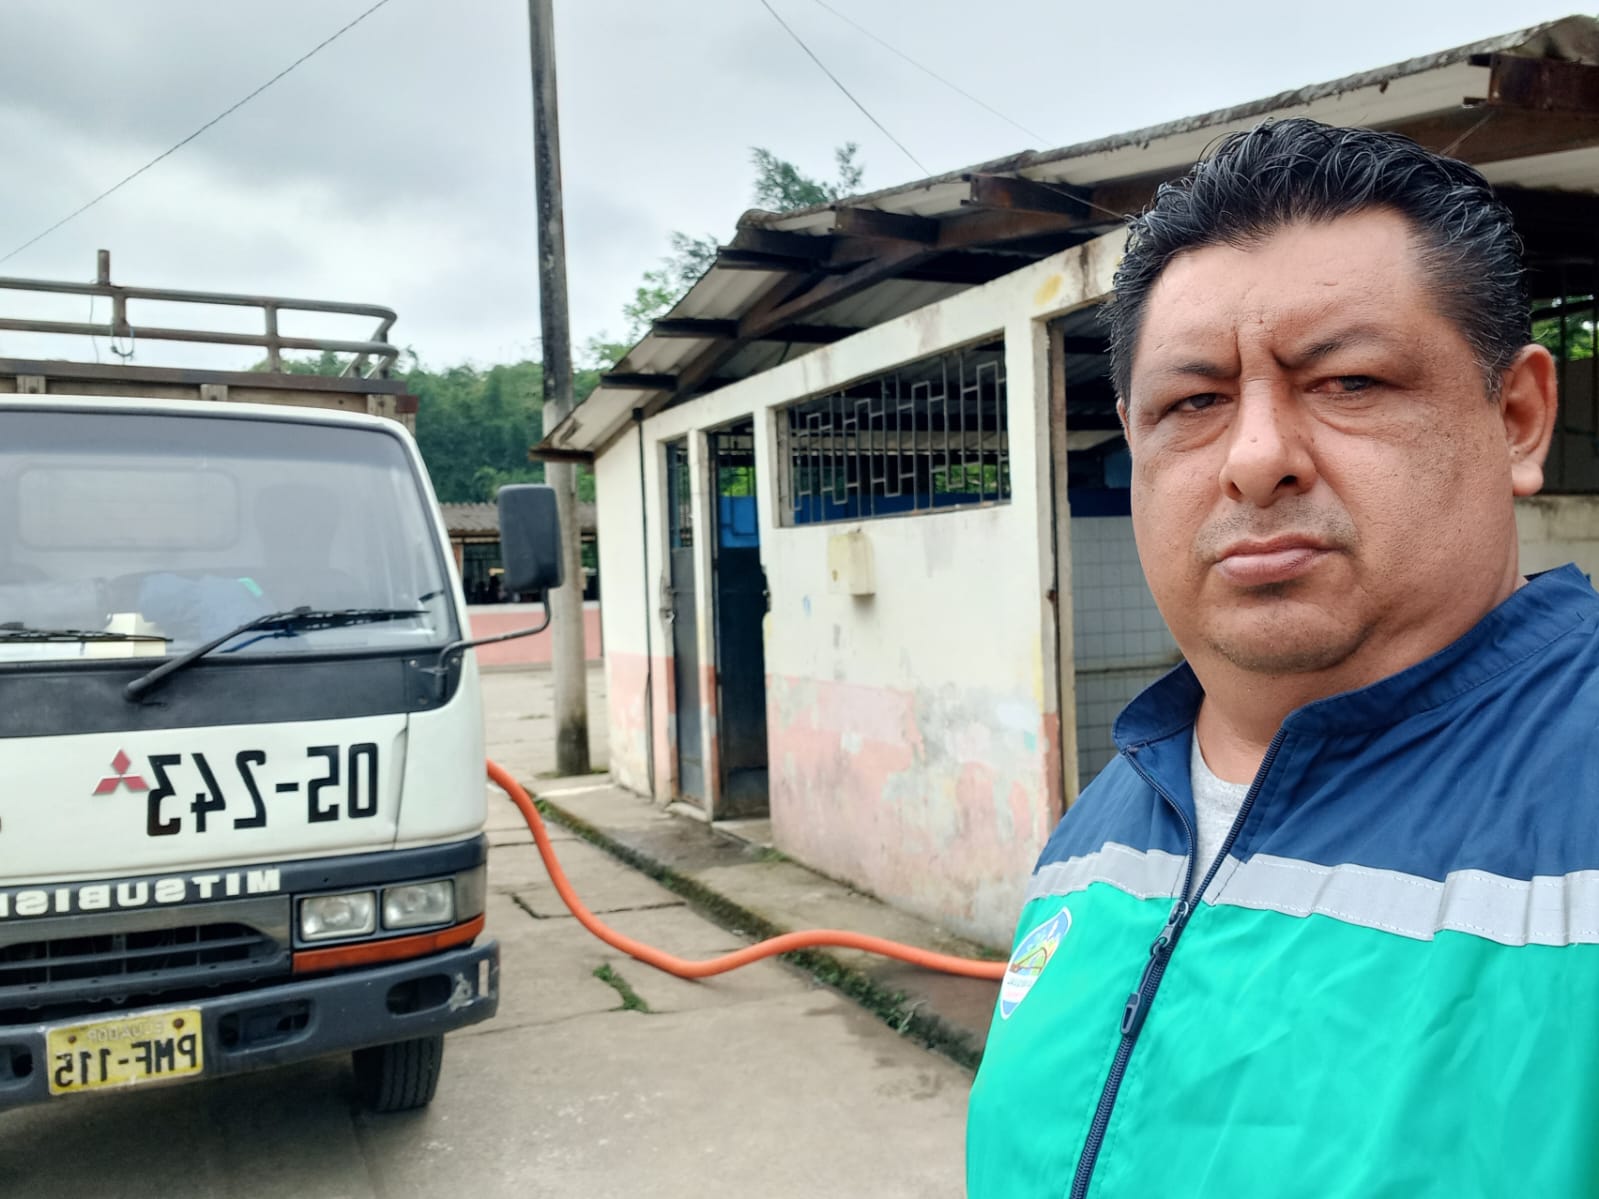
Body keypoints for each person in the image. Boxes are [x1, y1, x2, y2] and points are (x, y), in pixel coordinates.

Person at [966, 118, 1581, 1196]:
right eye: (1194, 402)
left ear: (1517, 418)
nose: (1255, 457)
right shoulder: (1107, 817)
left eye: (1349, 381)